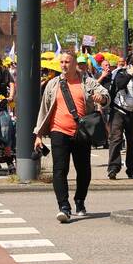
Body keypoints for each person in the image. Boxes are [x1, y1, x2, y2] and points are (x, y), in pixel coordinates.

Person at [34, 50, 109, 223]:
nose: (64, 65)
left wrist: (102, 99)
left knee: (84, 170)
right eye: (62, 62)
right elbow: (43, 111)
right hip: (58, 131)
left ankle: (79, 201)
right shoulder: (53, 84)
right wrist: (38, 134)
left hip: (81, 132)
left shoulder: (87, 82)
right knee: (60, 170)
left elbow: (105, 94)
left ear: (75, 64)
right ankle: (64, 207)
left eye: (67, 62)